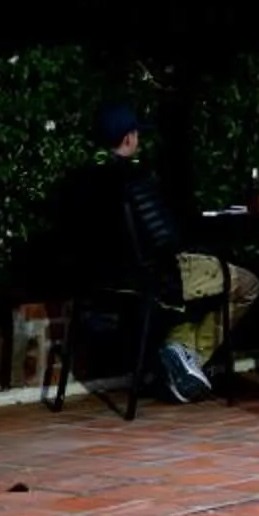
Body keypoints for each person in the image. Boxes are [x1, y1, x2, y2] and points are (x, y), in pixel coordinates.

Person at [48, 102, 212, 403]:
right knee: (244, 282)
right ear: (128, 138)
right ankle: (181, 353)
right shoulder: (134, 180)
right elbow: (165, 238)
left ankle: (175, 354)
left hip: (93, 283)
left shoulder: (73, 183)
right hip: (143, 280)